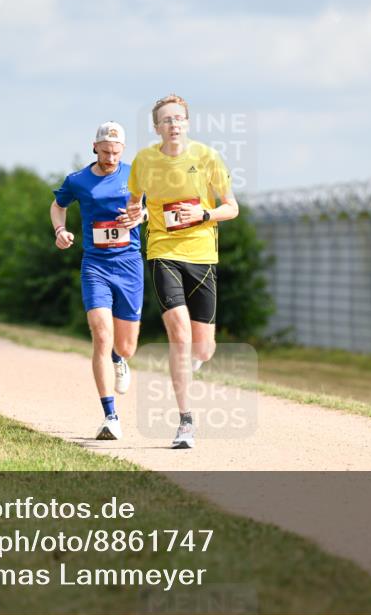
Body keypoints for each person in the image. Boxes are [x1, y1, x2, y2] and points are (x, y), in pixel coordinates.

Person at [125, 94, 239, 449]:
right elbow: (135, 202)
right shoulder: (143, 161)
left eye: (179, 119)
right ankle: (185, 422)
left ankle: (194, 361)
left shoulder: (207, 157)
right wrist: (135, 215)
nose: (173, 124)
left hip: (203, 255)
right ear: (156, 127)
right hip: (163, 252)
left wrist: (203, 215)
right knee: (179, 334)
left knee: (203, 349)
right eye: (166, 120)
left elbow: (231, 207)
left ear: (187, 124)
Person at [52, 122, 145, 441]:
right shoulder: (78, 180)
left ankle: (120, 360)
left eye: (116, 152)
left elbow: (148, 207)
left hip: (129, 264)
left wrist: (140, 216)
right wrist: (60, 231)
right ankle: (110, 416)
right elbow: (58, 206)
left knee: (125, 346)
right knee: (101, 335)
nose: (111, 158)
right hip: (96, 265)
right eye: (106, 152)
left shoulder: (134, 174)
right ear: (95, 147)